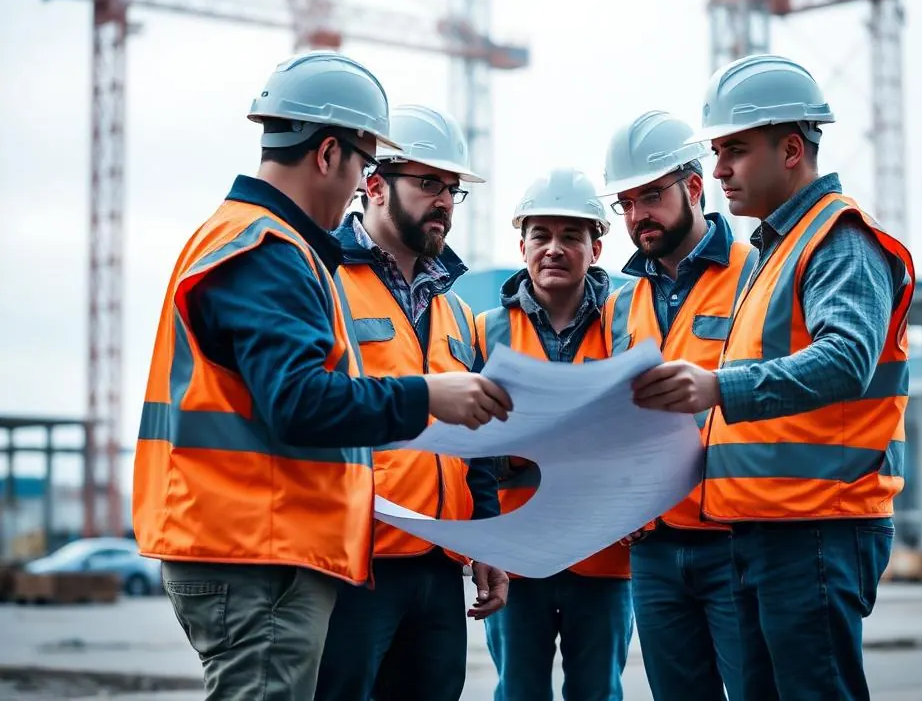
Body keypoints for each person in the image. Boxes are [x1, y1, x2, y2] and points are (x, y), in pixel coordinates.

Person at [132, 51, 512, 701]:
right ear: (331, 154)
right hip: (259, 546)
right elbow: (300, 401)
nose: (360, 181)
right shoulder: (273, 250)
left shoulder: (264, 243)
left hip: (274, 543)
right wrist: (429, 395)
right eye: (366, 164)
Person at [631, 53, 915, 701]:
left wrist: (717, 387)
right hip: (768, 528)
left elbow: (847, 359)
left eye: (734, 150)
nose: (719, 170)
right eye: (717, 152)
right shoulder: (775, 250)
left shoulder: (837, 238)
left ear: (791, 149)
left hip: (818, 527)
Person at [315, 104, 510, 701]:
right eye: (429, 183)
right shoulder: (323, 279)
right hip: (353, 563)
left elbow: (475, 439)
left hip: (438, 565)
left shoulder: (456, 310)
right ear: (375, 185)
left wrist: (484, 541)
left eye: (452, 189)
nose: (444, 201)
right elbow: (308, 404)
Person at [600, 111, 756, 701]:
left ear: (693, 187)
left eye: (651, 196)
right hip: (654, 548)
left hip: (736, 538)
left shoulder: (755, 274)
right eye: (626, 202)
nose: (637, 214)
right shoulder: (622, 304)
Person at [476, 169, 633, 701]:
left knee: (598, 692)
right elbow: (468, 442)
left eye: (571, 236)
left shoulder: (625, 325)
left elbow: (643, 433)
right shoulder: (487, 332)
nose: (554, 248)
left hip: (604, 555)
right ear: (522, 246)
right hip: (516, 558)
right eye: (540, 235)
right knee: (519, 691)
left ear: (596, 247)